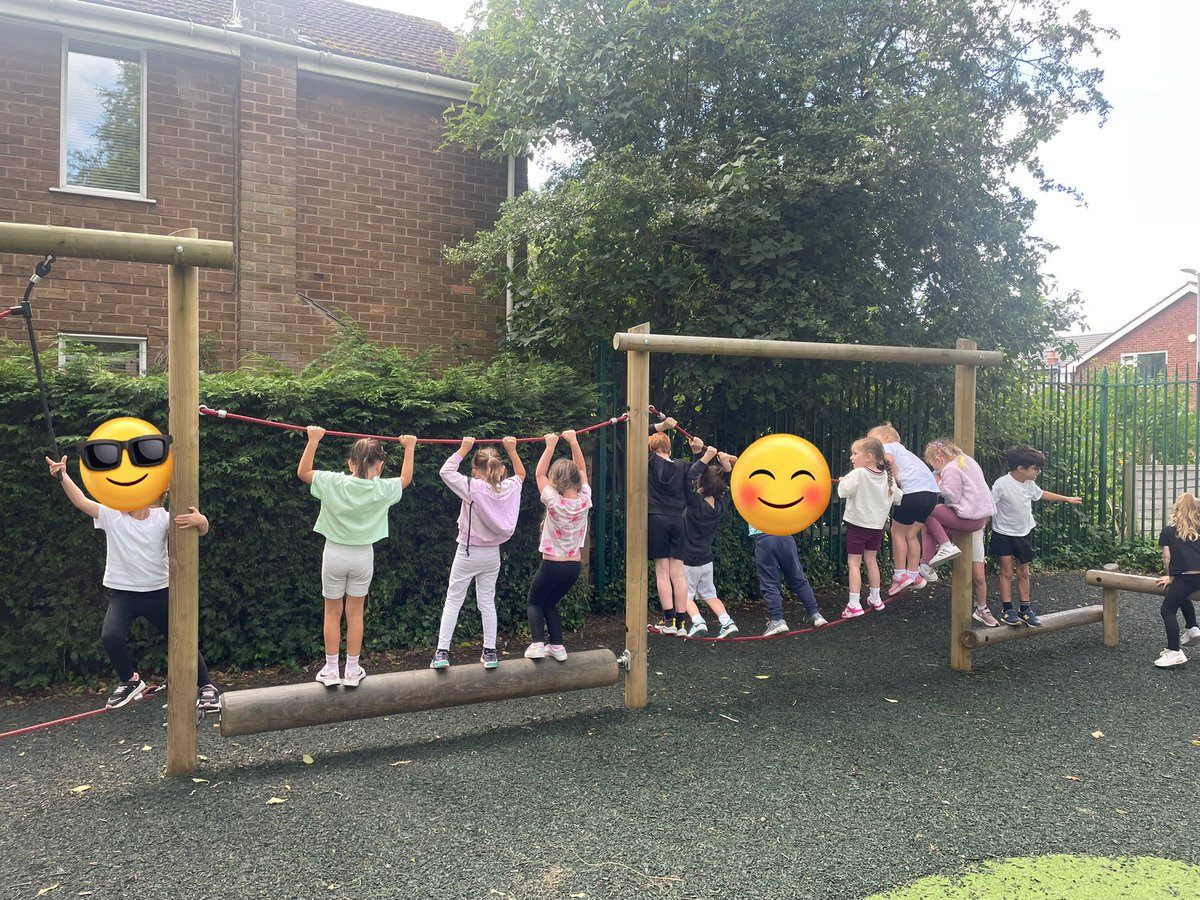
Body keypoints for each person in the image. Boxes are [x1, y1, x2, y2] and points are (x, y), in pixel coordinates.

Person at [45, 454, 219, 711]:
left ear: (154, 492)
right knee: (110, 636)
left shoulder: (163, 518)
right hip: (124, 595)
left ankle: (206, 687)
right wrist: (62, 476)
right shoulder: (112, 516)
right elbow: (81, 501)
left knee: (182, 639)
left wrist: (202, 522)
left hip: (159, 593)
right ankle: (130, 680)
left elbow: (199, 530)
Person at [298, 426, 415, 687]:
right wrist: (409, 447)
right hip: (363, 555)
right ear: (381, 465)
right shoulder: (382, 489)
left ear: (350, 463)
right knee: (355, 614)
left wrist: (313, 440)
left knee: (331, 612)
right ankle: (351, 670)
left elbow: (303, 472)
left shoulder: (333, 482)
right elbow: (405, 479)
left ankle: (330, 670)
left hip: (334, 554)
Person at [430, 436, 525, 670]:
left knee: (453, 600)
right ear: (502, 470)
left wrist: (463, 449)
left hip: (468, 552)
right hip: (492, 555)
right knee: (486, 601)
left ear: (475, 471)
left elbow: (446, 471)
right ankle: (490, 652)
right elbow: (521, 474)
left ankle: (442, 653)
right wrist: (512, 450)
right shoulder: (509, 488)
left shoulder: (472, 487)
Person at [989, 444, 1082, 627]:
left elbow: (1041, 494)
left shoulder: (1029, 484)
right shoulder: (1001, 484)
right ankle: (1007, 609)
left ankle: (1025, 609)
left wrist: (1066, 499)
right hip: (1003, 533)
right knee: (1006, 571)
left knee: (1023, 572)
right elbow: (990, 506)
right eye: (1035, 469)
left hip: (1023, 533)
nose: (1038, 472)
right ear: (1020, 468)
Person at [525, 430, 591, 661]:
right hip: (573, 568)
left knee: (534, 602)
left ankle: (537, 644)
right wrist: (573, 441)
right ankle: (557, 646)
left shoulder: (553, 500)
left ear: (557, 481)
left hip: (552, 565)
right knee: (550, 602)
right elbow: (582, 470)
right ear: (578, 482)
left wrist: (550, 445)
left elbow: (539, 473)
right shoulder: (585, 500)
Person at [920, 438, 999, 627]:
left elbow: (952, 496)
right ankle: (930, 561)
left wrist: (938, 481)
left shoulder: (950, 469)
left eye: (933, 465)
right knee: (930, 524)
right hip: (978, 519)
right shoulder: (967, 461)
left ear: (938, 459)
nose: (935, 468)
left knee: (927, 512)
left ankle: (935, 555)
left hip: (969, 520)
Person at [647, 417, 706, 635]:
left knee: (662, 571)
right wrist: (698, 452)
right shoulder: (681, 465)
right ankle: (682, 624)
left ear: (651, 447)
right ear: (669, 449)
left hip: (657, 518)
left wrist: (661, 427)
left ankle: (669, 619)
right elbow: (695, 473)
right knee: (678, 573)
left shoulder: (650, 460)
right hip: (677, 520)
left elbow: (635, 433)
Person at [868, 424, 939, 597]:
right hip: (930, 495)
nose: (870, 445)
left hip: (912, 493)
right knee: (911, 535)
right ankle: (913, 574)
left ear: (887, 438)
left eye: (873, 440)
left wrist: (895, 480)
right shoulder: (907, 453)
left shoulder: (888, 447)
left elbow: (889, 460)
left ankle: (900, 574)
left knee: (897, 532)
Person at [838, 437, 902, 618]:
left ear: (868, 457)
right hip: (877, 527)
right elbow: (898, 497)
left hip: (858, 526)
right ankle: (875, 598)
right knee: (871, 561)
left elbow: (843, 492)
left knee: (853, 564)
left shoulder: (857, 474)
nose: (851, 457)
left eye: (855, 453)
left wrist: (843, 481)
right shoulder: (887, 477)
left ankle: (854, 604)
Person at [679, 446, 740, 638]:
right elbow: (728, 483)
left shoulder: (695, 503)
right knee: (710, 595)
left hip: (688, 559)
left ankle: (697, 622)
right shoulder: (721, 506)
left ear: (701, 487)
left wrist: (705, 457)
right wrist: (726, 466)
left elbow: (688, 478)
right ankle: (727, 622)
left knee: (684, 595)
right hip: (706, 559)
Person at [749, 523, 828, 635]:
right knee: (798, 579)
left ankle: (777, 620)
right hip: (786, 537)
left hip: (764, 539)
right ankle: (815, 614)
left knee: (770, 583)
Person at [1153, 493, 1200, 668]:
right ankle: (1193, 628)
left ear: (1177, 510)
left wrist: (1171, 576)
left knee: (1167, 610)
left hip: (1185, 578)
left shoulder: (1168, 531)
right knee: (1181, 596)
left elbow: (1167, 557)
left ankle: (1174, 652)